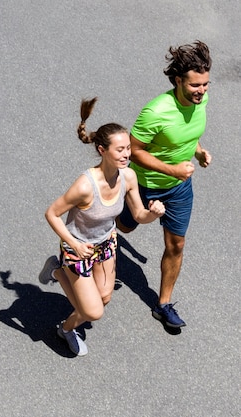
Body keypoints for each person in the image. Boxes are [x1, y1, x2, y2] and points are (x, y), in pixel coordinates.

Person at [39, 97, 165, 356]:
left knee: (105, 297)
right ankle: (58, 273)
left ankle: (66, 327)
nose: (127, 154)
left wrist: (152, 214)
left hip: (106, 243)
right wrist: (73, 244)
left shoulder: (128, 177)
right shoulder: (85, 186)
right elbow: (52, 213)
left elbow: (139, 214)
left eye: (128, 148)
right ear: (102, 151)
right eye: (120, 150)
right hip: (78, 247)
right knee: (93, 311)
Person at [116, 40, 212, 329]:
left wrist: (198, 150)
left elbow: (187, 134)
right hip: (143, 186)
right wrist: (172, 168)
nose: (202, 91)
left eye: (206, 84)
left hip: (179, 188)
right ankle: (97, 231)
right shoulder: (155, 111)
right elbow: (134, 150)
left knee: (177, 244)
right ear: (178, 81)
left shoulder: (201, 101)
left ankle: (163, 304)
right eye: (195, 85)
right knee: (124, 227)